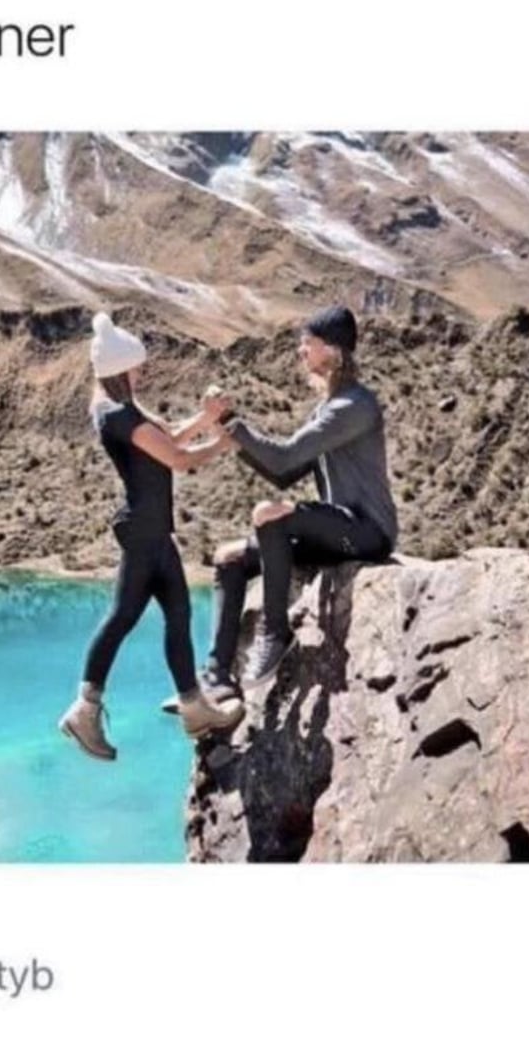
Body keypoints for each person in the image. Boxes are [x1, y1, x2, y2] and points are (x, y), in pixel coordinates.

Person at [59, 313, 245, 760]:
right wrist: (225, 442)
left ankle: (194, 706)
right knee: (123, 615)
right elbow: (178, 458)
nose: (141, 373)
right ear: (121, 371)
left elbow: (170, 437)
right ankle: (85, 709)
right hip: (146, 531)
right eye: (136, 367)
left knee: (176, 614)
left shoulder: (119, 411)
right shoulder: (121, 418)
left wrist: (206, 418)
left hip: (153, 531)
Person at [204, 305, 397, 692]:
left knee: (268, 515)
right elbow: (283, 474)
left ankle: (276, 635)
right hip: (334, 533)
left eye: (308, 343)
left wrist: (231, 424)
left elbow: (284, 455)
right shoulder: (327, 407)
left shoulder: (353, 407)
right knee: (229, 559)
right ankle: (216, 679)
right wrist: (233, 437)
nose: (301, 351)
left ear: (333, 350)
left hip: (366, 532)